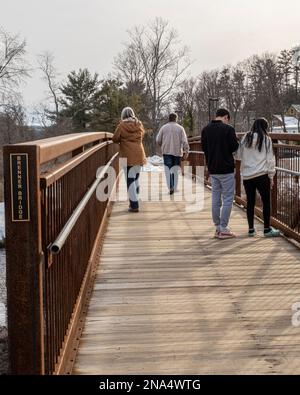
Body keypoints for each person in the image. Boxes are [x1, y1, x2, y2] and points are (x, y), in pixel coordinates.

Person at [236, 118, 280, 237]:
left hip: (247, 176)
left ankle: (251, 229)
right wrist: (271, 176)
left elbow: (238, 156)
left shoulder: (246, 138)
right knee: (266, 202)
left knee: (250, 202)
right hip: (262, 175)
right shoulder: (266, 139)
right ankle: (267, 229)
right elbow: (270, 160)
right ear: (265, 128)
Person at [201, 109, 239, 239]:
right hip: (226, 168)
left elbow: (204, 148)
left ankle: (217, 227)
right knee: (228, 198)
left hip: (213, 168)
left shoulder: (205, 130)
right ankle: (224, 228)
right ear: (226, 117)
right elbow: (234, 148)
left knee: (215, 198)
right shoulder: (228, 129)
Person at [112, 107, 146, 213]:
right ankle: (135, 195)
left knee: (130, 180)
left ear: (123, 115)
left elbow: (115, 138)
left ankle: (134, 205)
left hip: (127, 155)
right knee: (135, 177)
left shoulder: (121, 125)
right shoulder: (139, 124)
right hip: (139, 154)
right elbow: (142, 135)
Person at [156, 113, 189, 195]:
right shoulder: (180, 128)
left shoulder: (164, 127)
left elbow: (158, 140)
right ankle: (174, 187)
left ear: (169, 119)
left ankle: (170, 187)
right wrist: (186, 151)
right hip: (177, 152)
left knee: (168, 170)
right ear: (176, 119)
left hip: (166, 152)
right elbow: (185, 141)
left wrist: (162, 146)